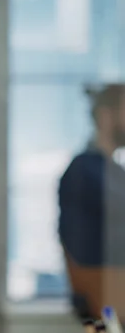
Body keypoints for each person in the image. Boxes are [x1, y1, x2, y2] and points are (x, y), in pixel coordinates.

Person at [59, 84, 125, 315]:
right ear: (106, 116)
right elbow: (73, 244)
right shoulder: (84, 171)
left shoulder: (115, 173)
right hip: (105, 298)